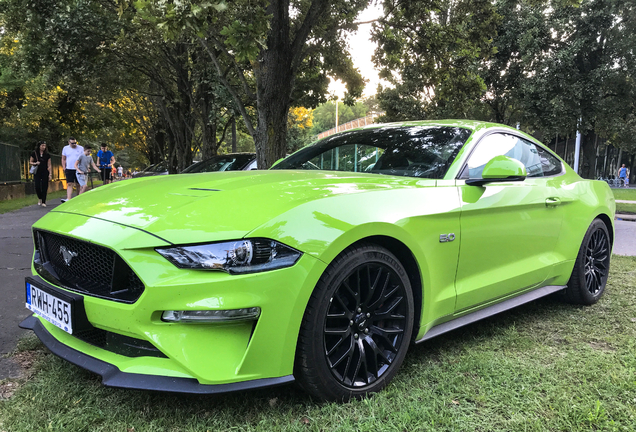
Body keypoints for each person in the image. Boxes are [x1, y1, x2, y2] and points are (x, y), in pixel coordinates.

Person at [29, 141, 52, 207]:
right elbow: (30, 161)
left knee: (45, 186)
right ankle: (40, 197)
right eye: (42, 145)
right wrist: (35, 163)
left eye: (44, 146)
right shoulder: (34, 153)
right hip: (37, 172)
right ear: (39, 146)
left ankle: (43, 201)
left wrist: (50, 174)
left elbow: (49, 165)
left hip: (45, 171)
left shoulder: (47, 155)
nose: (43, 147)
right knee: (37, 186)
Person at [61, 137, 84, 202]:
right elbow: (63, 158)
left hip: (78, 168)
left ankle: (78, 198)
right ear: (69, 143)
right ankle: (68, 198)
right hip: (69, 168)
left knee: (78, 184)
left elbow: (84, 158)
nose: (74, 144)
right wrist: (64, 167)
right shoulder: (65, 148)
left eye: (75, 143)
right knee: (69, 183)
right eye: (72, 143)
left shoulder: (81, 148)